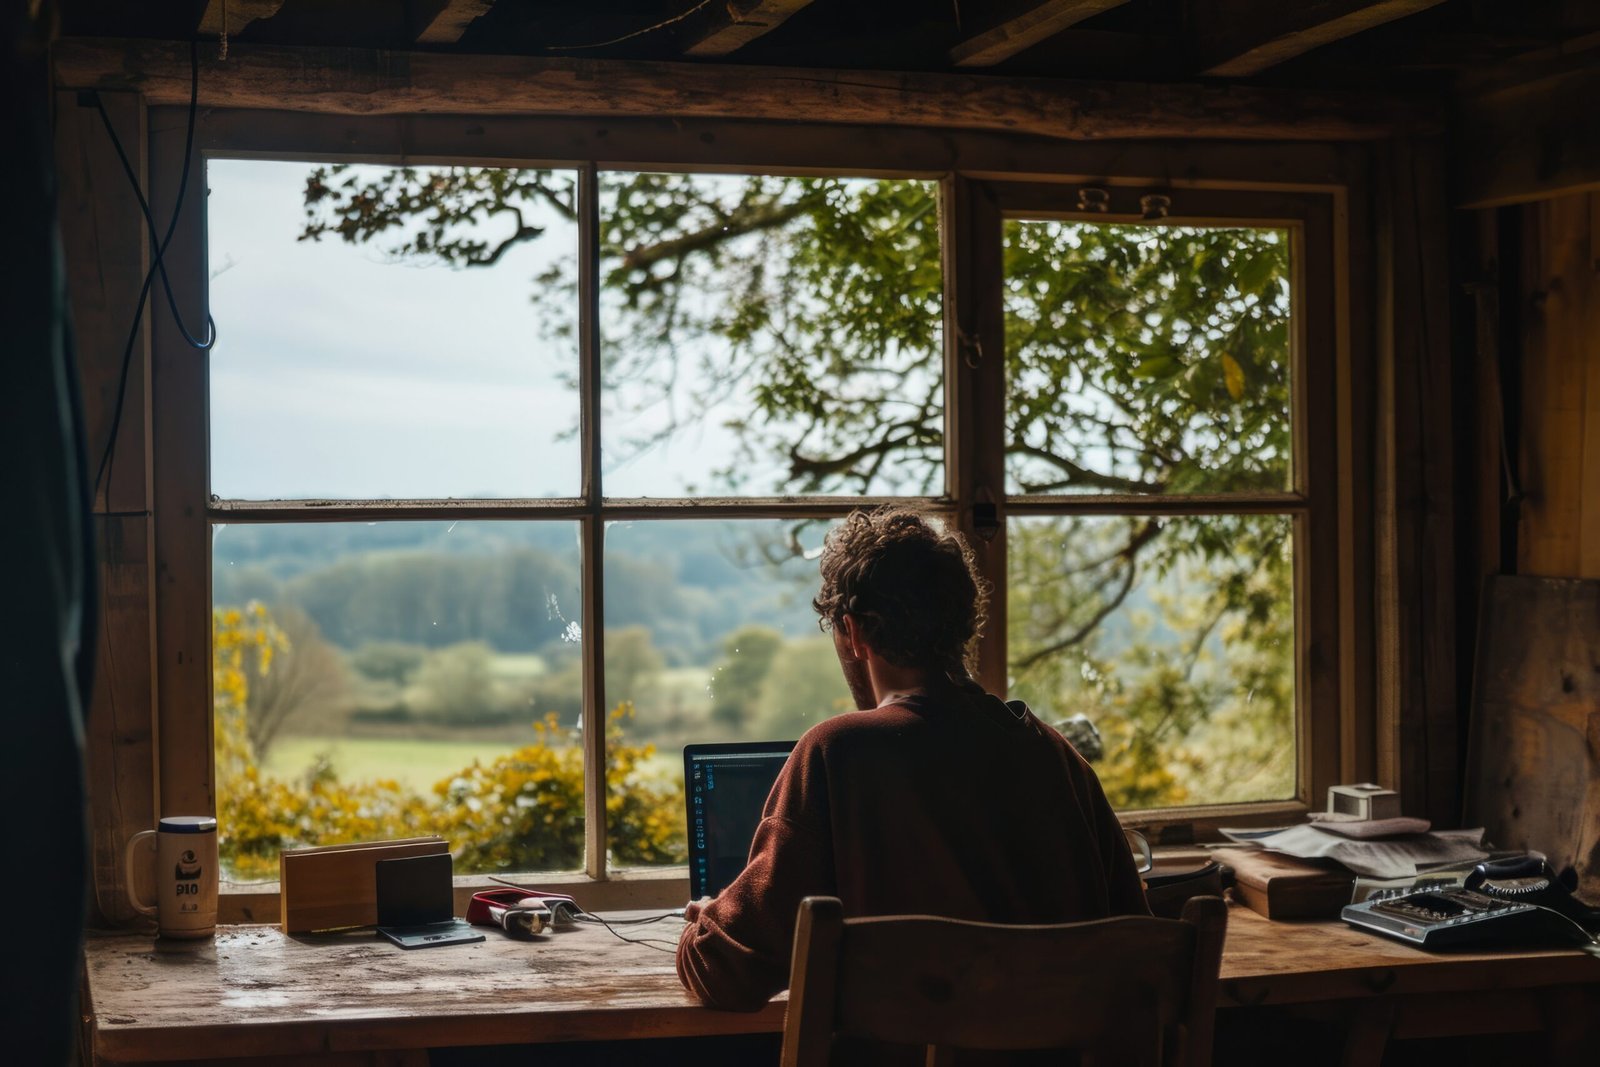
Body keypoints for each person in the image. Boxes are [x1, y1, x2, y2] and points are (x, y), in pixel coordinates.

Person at [676, 507, 1149, 1013]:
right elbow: (1140, 952)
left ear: (854, 632)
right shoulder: (1059, 758)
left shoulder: (835, 755)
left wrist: (704, 927)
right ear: (964, 621)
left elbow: (729, 974)